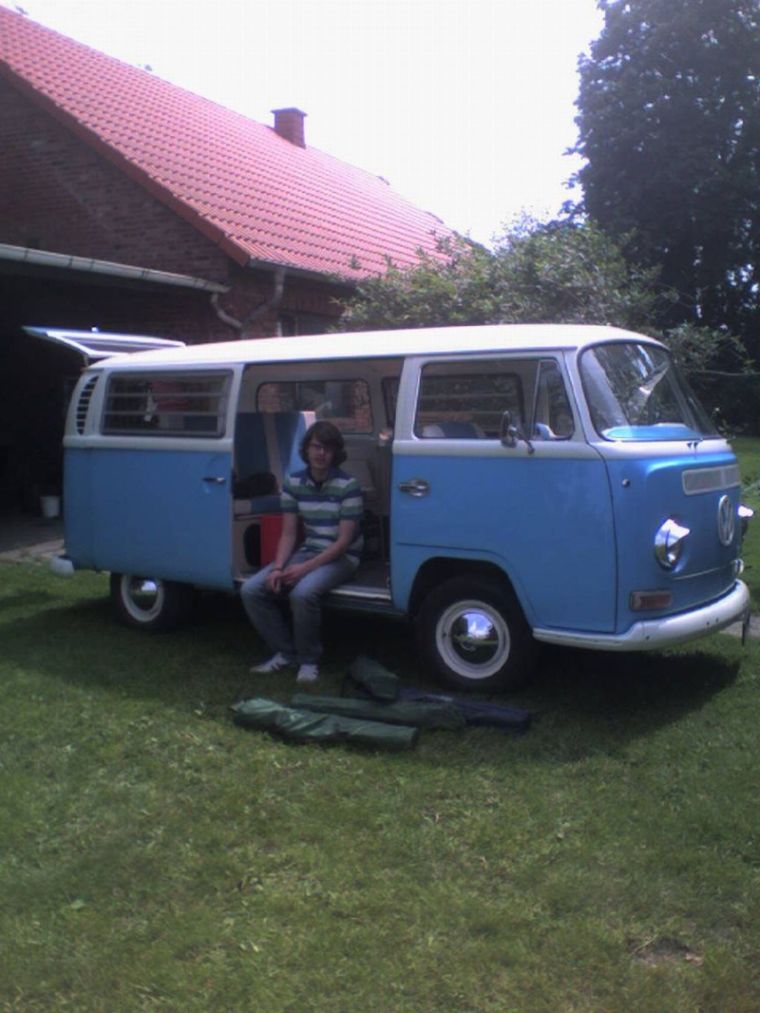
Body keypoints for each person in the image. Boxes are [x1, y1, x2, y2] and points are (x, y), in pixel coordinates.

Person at [241, 420, 364, 683]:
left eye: (328, 448)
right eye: (316, 446)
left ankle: (308, 661)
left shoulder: (349, 485)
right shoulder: (293, 482)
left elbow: (343, 542)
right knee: (251, 589)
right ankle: (285, 653)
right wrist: (278, 568)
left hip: (342, 557)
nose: (321, 453)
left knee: (302, 593)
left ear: (336, 453)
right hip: (309, 551)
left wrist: (303, 570)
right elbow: (288, 533)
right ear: (306, 449)